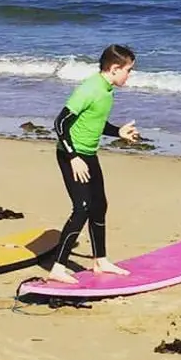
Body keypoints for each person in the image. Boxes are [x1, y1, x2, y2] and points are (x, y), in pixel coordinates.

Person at [47, 44, 141, 284]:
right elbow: (60, 124)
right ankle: (58, 267)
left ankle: (100, 260)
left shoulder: (107, 89)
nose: (129, 75)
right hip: (72, 155)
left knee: (99, 205)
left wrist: (117, 131)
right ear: (114, 68)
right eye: (128, 70)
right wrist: (73, 157)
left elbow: (95, 122)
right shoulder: (90, 89)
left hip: (88, 154)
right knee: (83, 207)